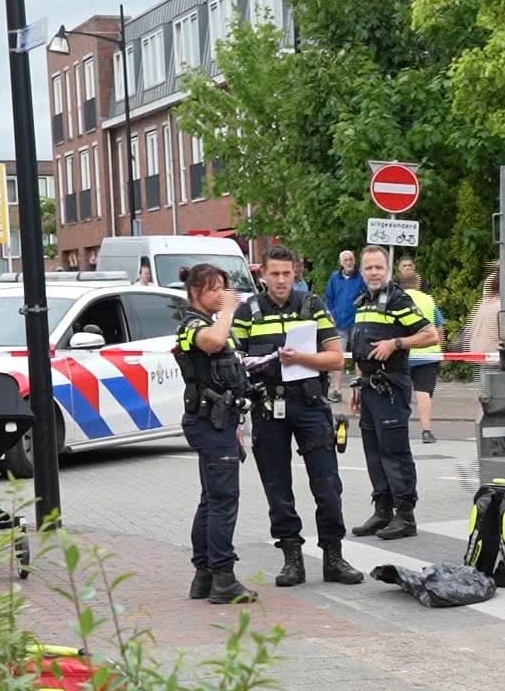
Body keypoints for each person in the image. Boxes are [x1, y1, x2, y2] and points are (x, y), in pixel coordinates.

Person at [233, 245, 365, 587]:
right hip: (267, 407)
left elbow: (336, 359)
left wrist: (301, 359)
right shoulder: (248, 312)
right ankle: (292, 558)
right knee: (277, 487)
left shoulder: (312, 306)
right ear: (263, 275)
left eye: (286, 274)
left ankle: (333, 557)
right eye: (274, 274)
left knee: (327, 484)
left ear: (295, 274)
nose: (280, 281)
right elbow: (234, 362)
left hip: (309, 404)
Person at [174, 262, 257, 605]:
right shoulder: (193, 325)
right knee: (223, 501)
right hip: (208, 422)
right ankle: (223, 578)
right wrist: (228, 309)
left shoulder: (207, 322)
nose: (221, 295)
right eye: (213, 289)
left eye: (224, 287)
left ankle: (204, 576)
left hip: (220, 421)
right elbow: (214, 341)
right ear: (195, 292)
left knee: (211, 500)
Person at [348, 245, 439, 540]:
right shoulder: (362, 303)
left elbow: (430, 334)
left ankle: (405, 515)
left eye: (378, 268)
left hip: (390, 387)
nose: (373, 273)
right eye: (368, 268)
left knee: (394, 452)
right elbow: (362, 349)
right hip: (370, 387)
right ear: (361, 272)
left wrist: (396, 344)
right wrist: (357, 384)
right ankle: (383, 511)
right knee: (373, 452)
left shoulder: (398, 300)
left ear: (387, 270)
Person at [397, 261, 445, 444]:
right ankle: (426, 431)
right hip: (428, 353)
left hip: (404, 352)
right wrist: (440, 349)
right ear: (418, 284)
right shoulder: (428, 300)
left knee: (401, 392)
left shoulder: (397, 299)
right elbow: (439, 327)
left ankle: (399, 430)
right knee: (424, 392)